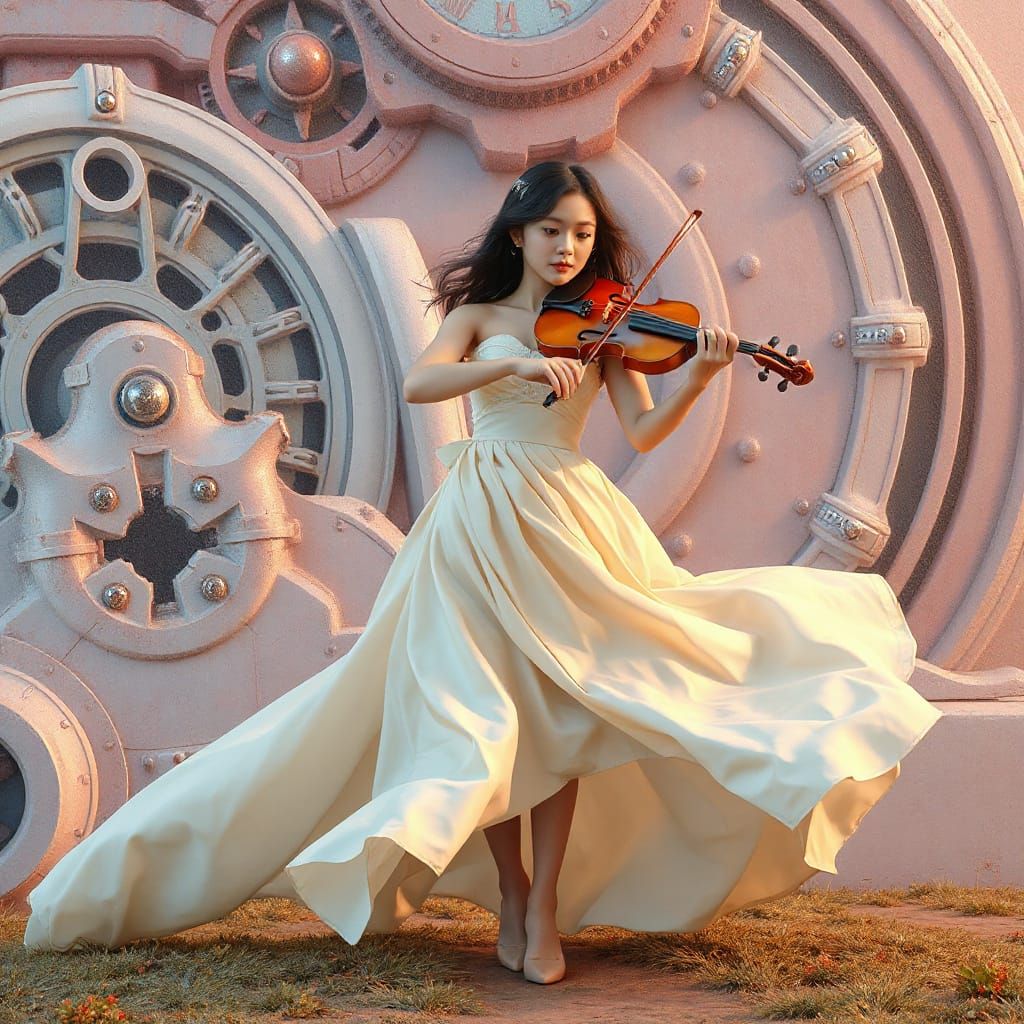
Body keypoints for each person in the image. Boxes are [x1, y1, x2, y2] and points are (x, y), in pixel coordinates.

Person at [22, 161, 942, 988]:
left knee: (566, 709)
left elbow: (646, 429)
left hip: (569, 515)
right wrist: (505, 365)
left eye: (583, 234)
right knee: (488, 711)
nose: (570, 247)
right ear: (519, 233)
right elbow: (424, 385)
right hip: (481, 513)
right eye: (554, 231)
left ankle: (542, 911)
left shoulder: (608, 326)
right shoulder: (480, 318)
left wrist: (701, 377)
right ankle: (511, 892)